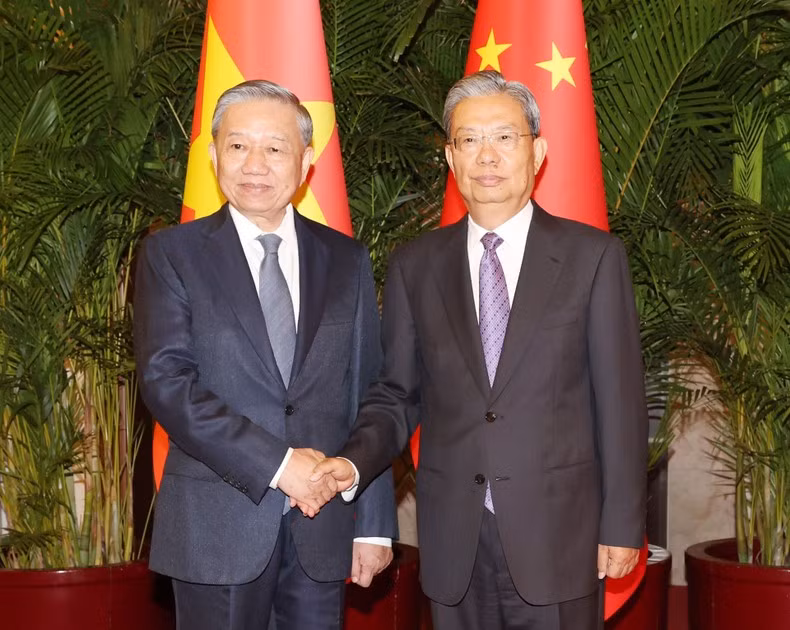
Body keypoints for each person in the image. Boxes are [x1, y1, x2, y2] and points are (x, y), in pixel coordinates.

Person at [313, 70, 648, 630]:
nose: (486, 155)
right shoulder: (415, 265)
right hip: (454, 541)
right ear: (451, 158)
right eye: (469, 140)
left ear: (537, 151)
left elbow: (619, 403)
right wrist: (351, 464)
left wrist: (621, 524)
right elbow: (396, 394)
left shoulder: (593, 258)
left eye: (504, 137)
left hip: (560, 537)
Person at [133, 79, 396, 630]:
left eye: (275, 148)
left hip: (323, 528)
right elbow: (167, 383)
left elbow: (369, 392)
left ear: (305, 160)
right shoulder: (172, 254)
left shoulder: (346, 259)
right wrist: (280, 466)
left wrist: (371, 523)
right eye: (237, 146)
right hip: (216, 530)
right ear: (212, 155)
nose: (255, 163)